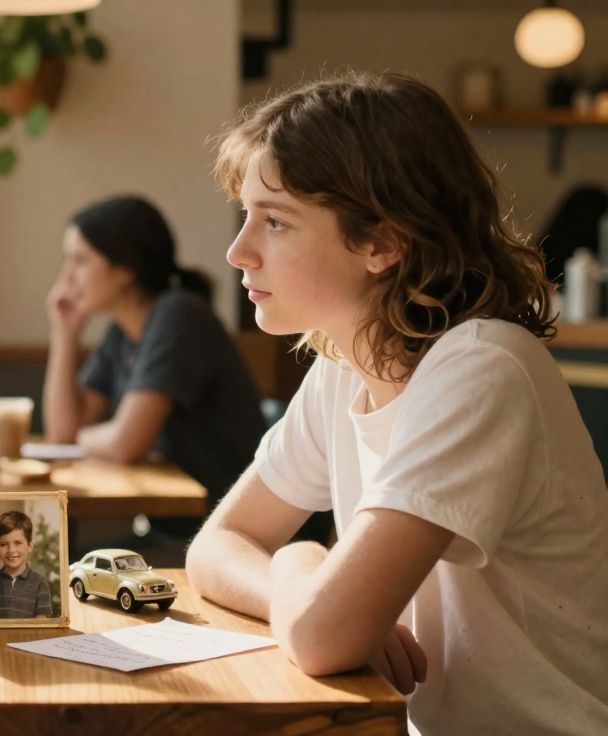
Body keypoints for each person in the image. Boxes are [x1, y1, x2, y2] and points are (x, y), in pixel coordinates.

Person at [187, 71, 608, 735]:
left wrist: (306, 565)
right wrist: (304, 586)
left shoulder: (481, 370)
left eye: (275, 221)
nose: (239, 251)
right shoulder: (342, 363)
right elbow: (217, 547)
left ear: (383, 243)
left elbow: (324, 636)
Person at [43, 194, 265, 505]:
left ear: (125, 269)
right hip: (179, 522)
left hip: (237, 526)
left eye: (79, 261)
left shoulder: (179, 315)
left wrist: (76, 441)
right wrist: (65, 334)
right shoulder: (122, 332)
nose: (66, 277)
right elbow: (60, 431)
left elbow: (124, 444)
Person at [0, 511, 52, 619]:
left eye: (18, 543)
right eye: (3, 544)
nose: (11, 550)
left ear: (29, 546)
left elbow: (42, 624)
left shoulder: (40, 583)